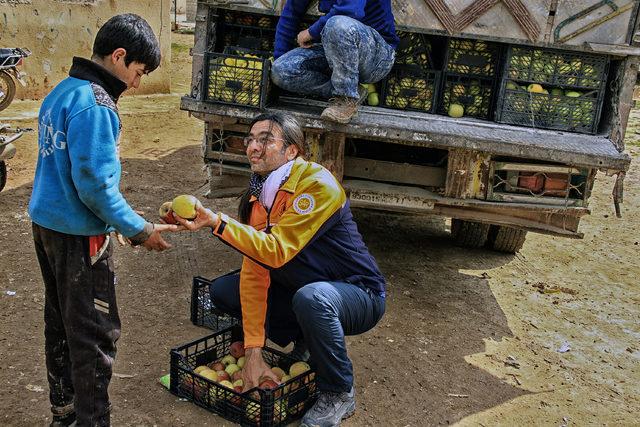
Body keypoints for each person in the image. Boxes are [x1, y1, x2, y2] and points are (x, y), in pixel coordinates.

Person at [175, 112, 386, 426]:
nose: (253, 148)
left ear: (292, 151)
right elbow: (254, 272)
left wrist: (217, 223)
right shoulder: (258, 197)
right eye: (250, 140)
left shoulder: (316, 185)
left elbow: (275, 252)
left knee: (313, 300)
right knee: (224, 292)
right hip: (306, 287)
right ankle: (307, 339)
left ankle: (339, 391)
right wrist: (254, 352)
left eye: (265, 140)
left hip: (358, 294)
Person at [28, 14, 178, 427]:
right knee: (94, 333)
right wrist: (139, 229)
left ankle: (66, 412)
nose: (137, 83)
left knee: (59, 322)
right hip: (80, 238)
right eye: (138, 72)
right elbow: (93, 185)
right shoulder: (96, 104)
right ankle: (93, 420)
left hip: (47, 228)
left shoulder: (62, 91)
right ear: (118, 56)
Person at [270, 0, 399, 124]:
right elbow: (290, 15)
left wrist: (310, 33)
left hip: (377, 56)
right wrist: (280, 57)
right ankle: (353, 90)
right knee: (280, 70)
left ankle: (345, 99)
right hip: (337, 48)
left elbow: (351, 10)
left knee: (337, 24)